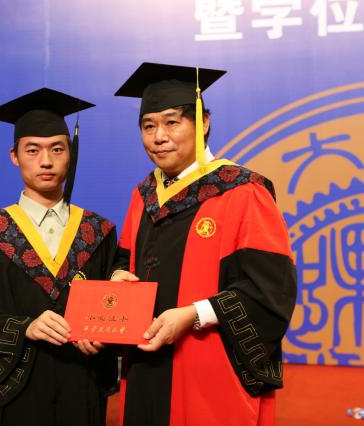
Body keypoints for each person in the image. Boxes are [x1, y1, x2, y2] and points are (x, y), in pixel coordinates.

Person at [111, 63, 297, 426]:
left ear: (203, 122)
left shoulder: (243, 191)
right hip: (146, 360)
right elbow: (124, 257)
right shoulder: (144, 195)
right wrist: (117, 274)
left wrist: (194, 314)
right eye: (148, 126)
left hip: (209, 366)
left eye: (172, 123)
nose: (159, 137)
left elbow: (271, 289)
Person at [0, 87, 118, 426]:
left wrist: (104, 332)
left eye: (57, 149)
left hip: (80, 384)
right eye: (33, 150)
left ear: (71, 153)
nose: (46, 161)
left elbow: (114, 306)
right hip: (15, 389)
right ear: (14, 156)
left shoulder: (98, 232)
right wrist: (25, 327)